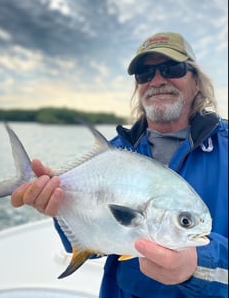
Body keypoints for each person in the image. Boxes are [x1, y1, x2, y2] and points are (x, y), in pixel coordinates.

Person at [11, 32, 228, 298]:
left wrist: (199, 265)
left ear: (196, 81)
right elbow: (95, 242)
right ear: (138, 87)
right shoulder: (114, 150)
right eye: (144, 74)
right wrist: (56, 203)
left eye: (172, 68)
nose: (158, 80)